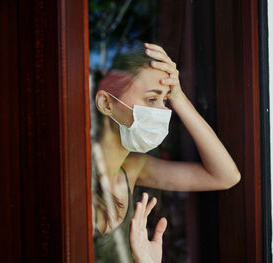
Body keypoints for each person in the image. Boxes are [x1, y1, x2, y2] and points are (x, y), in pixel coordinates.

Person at [91, 42, 241, 263]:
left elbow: (225, 176)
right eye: (152, 99)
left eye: (165, 100)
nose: (163, 111)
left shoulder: (133, 168)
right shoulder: (79, 176)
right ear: (106, 103)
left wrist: (179, 97)